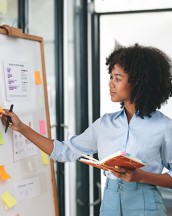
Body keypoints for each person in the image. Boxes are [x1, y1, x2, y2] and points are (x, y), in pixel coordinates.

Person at [1, 44, 172, 216]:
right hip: (110, 204)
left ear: (138, 82)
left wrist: (141, 176)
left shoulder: (163, 126)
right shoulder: (105, 124)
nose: (110, 84)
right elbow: (64, 151)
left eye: (117, 79)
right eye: (111, 77)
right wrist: (22, 128)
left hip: (146, 205)